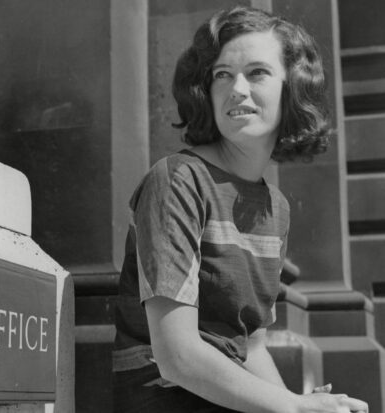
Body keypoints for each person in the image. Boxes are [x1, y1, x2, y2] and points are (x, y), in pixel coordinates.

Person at [112, 6, 369, 413]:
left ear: (292, 88)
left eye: (257, 73)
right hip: (166, 397)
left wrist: (297, 403)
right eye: (222, 75)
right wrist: (292, 408)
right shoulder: (178, 179)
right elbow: (176, 358)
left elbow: (250, 346)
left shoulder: (276, 208)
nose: (237, 89)